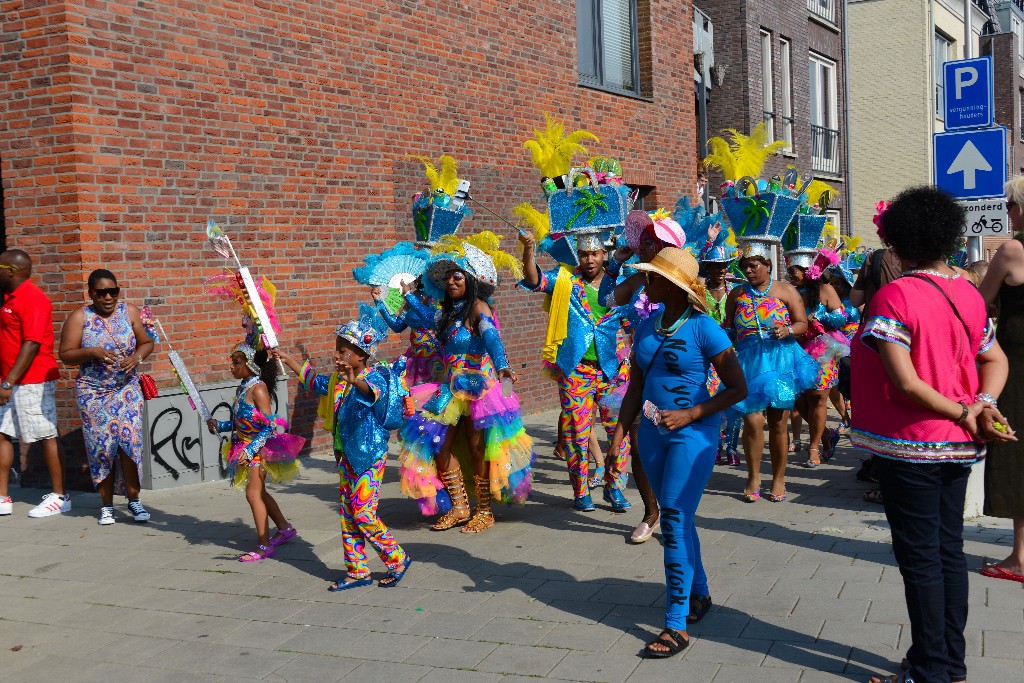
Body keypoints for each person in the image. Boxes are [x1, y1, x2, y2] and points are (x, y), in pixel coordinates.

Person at [851, 186, 1013, 683]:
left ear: (897, 241)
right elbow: (996, 359)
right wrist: (981, 406)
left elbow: (905, 382)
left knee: (920, 559)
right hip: (960, 447)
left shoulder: (894, 295)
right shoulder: (967, 290)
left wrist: (965, 409)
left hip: (913, 443)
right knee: (948, 552)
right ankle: (946, 660)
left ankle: (930, 669)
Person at [607, 247, 747, 658]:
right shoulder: (648, 325)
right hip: (651, 435)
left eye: (651, 276)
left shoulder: (706, 329)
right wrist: (618, 435)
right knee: (680, 518)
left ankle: (676, 623)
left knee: (671, 517)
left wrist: (690, 414)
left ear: (671, 284)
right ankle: (699, 594)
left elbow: (738, 388)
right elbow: (635, 387)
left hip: (694, 435)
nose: (645, 281)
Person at [398, 233, 533, 533]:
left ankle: (484, 510)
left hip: (479, 390)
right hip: (448, 389)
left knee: (477, 449)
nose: (451, 282)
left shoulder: (478, 308)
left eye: (457, 277)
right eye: (447, 278)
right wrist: (408, 295)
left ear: (470, 279)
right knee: (438, 446)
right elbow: (421, 318)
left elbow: (491, 338)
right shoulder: (447, 313)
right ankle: (460, 506)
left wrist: (503, 366)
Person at [276, 305, 410, 590]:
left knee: (363, 514)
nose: (337, 355)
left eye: (343, 351)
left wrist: (356, 382)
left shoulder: (376, 377)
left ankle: (397, 558)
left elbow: (374, 394)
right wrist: (288, 360)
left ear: (361, 355)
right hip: (346, 456)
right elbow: (315, 382)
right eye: (337, 349)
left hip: (370, 458)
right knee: (348, 515)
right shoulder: (338, 381)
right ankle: (357, 570)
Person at [520, 227, 632, 512]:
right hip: (576, 370)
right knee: (577, 434)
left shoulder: (619, 282)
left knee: (620, 431)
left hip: (613, 370)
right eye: (584, 254)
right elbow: (535, 281)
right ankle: (581, 490)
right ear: (578, 256)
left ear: (604, 254)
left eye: (594, 253)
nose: (589, 259)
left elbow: (635, 319)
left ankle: (615, 487)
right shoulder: (566, 280)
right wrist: (529, 249)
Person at [599, 208, 688, 541]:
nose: (642, 245)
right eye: (643, 239)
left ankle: (674, 514)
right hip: (640, 378)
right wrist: (614, 264)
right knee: (640, 445)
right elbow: (604, 299)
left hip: (676, 378)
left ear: (664, 247)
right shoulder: (636, 279)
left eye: (650, 241)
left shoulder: (682, 281)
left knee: (673, 446)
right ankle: (651, 513)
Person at [57, 270, 155, 525]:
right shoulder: (80, 317)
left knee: (129, 444)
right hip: (93, 393)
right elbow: (65, 354)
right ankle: (107, 505)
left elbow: (147, 342)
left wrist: (137, 358)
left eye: (113, 291)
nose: (108, 297)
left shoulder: (130, 312)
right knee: (102, 448)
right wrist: (91, 351)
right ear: (91, 293)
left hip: (127, 390)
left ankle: (134, 500)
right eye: (101, 293)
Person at [724, 247, 817, 502]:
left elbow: (802, 323)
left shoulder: (786, 291)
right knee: (752, 420)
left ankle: (778, 478)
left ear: (768, 265)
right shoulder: (736, 294)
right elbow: (729, 327)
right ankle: (753, 476)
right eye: (745, 266)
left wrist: (787, 329)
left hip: (782, 363)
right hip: (748, 364)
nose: (749, 270)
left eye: (754, 265)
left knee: (778, 421)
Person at [206, 341, 303, 562]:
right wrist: (219, 425)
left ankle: (264, 545)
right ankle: (284, 528)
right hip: (245, 446)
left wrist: (250, 450)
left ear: (249, 364)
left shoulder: (258, 389)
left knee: (253, 494)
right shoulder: (242, 388)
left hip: (259, 448)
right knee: (259, 493)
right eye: (232, 361)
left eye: (236, 362)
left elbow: (269, 426)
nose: (231, 366)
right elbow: (241, 422)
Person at [976, 175, 1024, 584]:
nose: (1007, 211)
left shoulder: (1012, 250)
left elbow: (980, 304)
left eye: (1010, 203)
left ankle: (1021, 559)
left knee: (1017, 455)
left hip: (1019, 364)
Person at [0, 249, 68, 518]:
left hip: (32, 381)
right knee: (3, 434)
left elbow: (31, 344)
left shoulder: (33, 298)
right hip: (8, 380)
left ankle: (60, 497)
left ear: (11, 270)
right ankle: (3, 497)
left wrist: (8, 384)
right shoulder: (7, 296)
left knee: (45, 435)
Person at [787, 252, 848, 468]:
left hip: (823, 348)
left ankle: (813, 447)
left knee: (819, 398)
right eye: (789, 269)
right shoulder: (789, 292)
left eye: (794, 269)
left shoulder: (825, 289)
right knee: (797, 400)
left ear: (807, 270)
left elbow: (842, 317)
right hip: (795, 348)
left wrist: (820, 317)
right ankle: (825, 437)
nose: (790, 273)